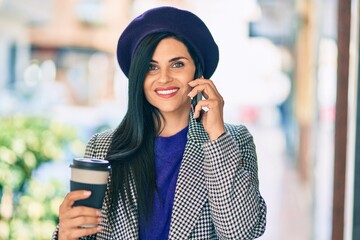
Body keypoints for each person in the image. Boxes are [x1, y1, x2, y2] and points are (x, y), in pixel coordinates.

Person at [53, 6, 267, 240]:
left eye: (177, 64)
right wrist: (65, 234)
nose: (164, 78)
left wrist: (216, 134)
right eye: (151, 67)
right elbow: (85, 232)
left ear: (198, 70)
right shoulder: (103, 147)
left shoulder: (234, 141)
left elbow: (239, 232)